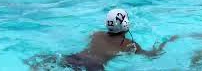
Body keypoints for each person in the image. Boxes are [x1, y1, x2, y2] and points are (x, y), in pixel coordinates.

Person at [25, 9, 178, 71]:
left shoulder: (96, 34)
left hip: (75, 57)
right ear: (125, 24)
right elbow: (152, 55)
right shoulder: (129, 45)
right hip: (94, 66)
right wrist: (165, 42)